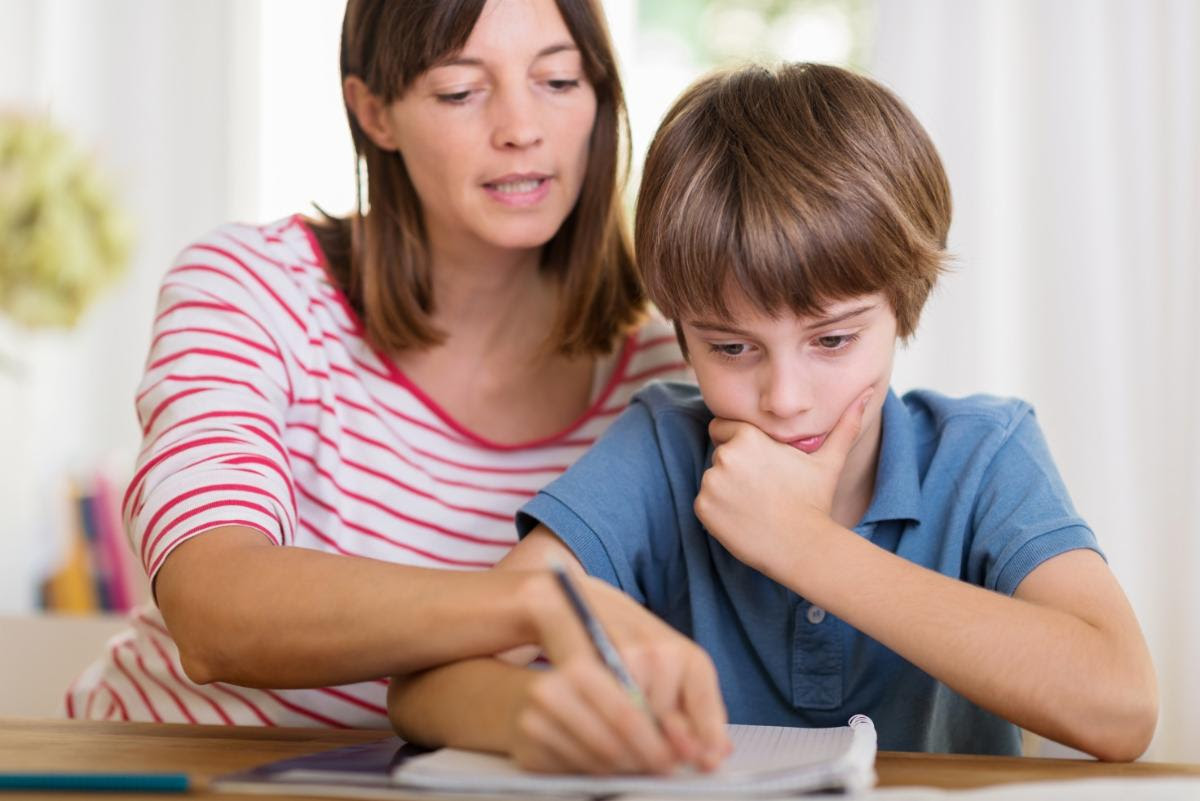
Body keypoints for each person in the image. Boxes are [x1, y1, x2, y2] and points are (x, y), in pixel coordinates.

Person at [387, 62, 1159, 766]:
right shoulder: (660, 449)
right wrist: (536, 712)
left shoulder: (984, 452)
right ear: (680, 332)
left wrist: (804, 544)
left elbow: (1122, 706)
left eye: (832, 339)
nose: (785, 397)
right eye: (731, 348)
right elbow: (427, 683)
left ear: (904, 305)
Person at [63, 0, 722, 753]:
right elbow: (212, 613)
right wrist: (536, 602)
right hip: (165, 769)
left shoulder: (669, 375)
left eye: (559, 80)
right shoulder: (251, 288)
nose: (520, 128)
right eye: (460, 91)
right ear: (374, 112)